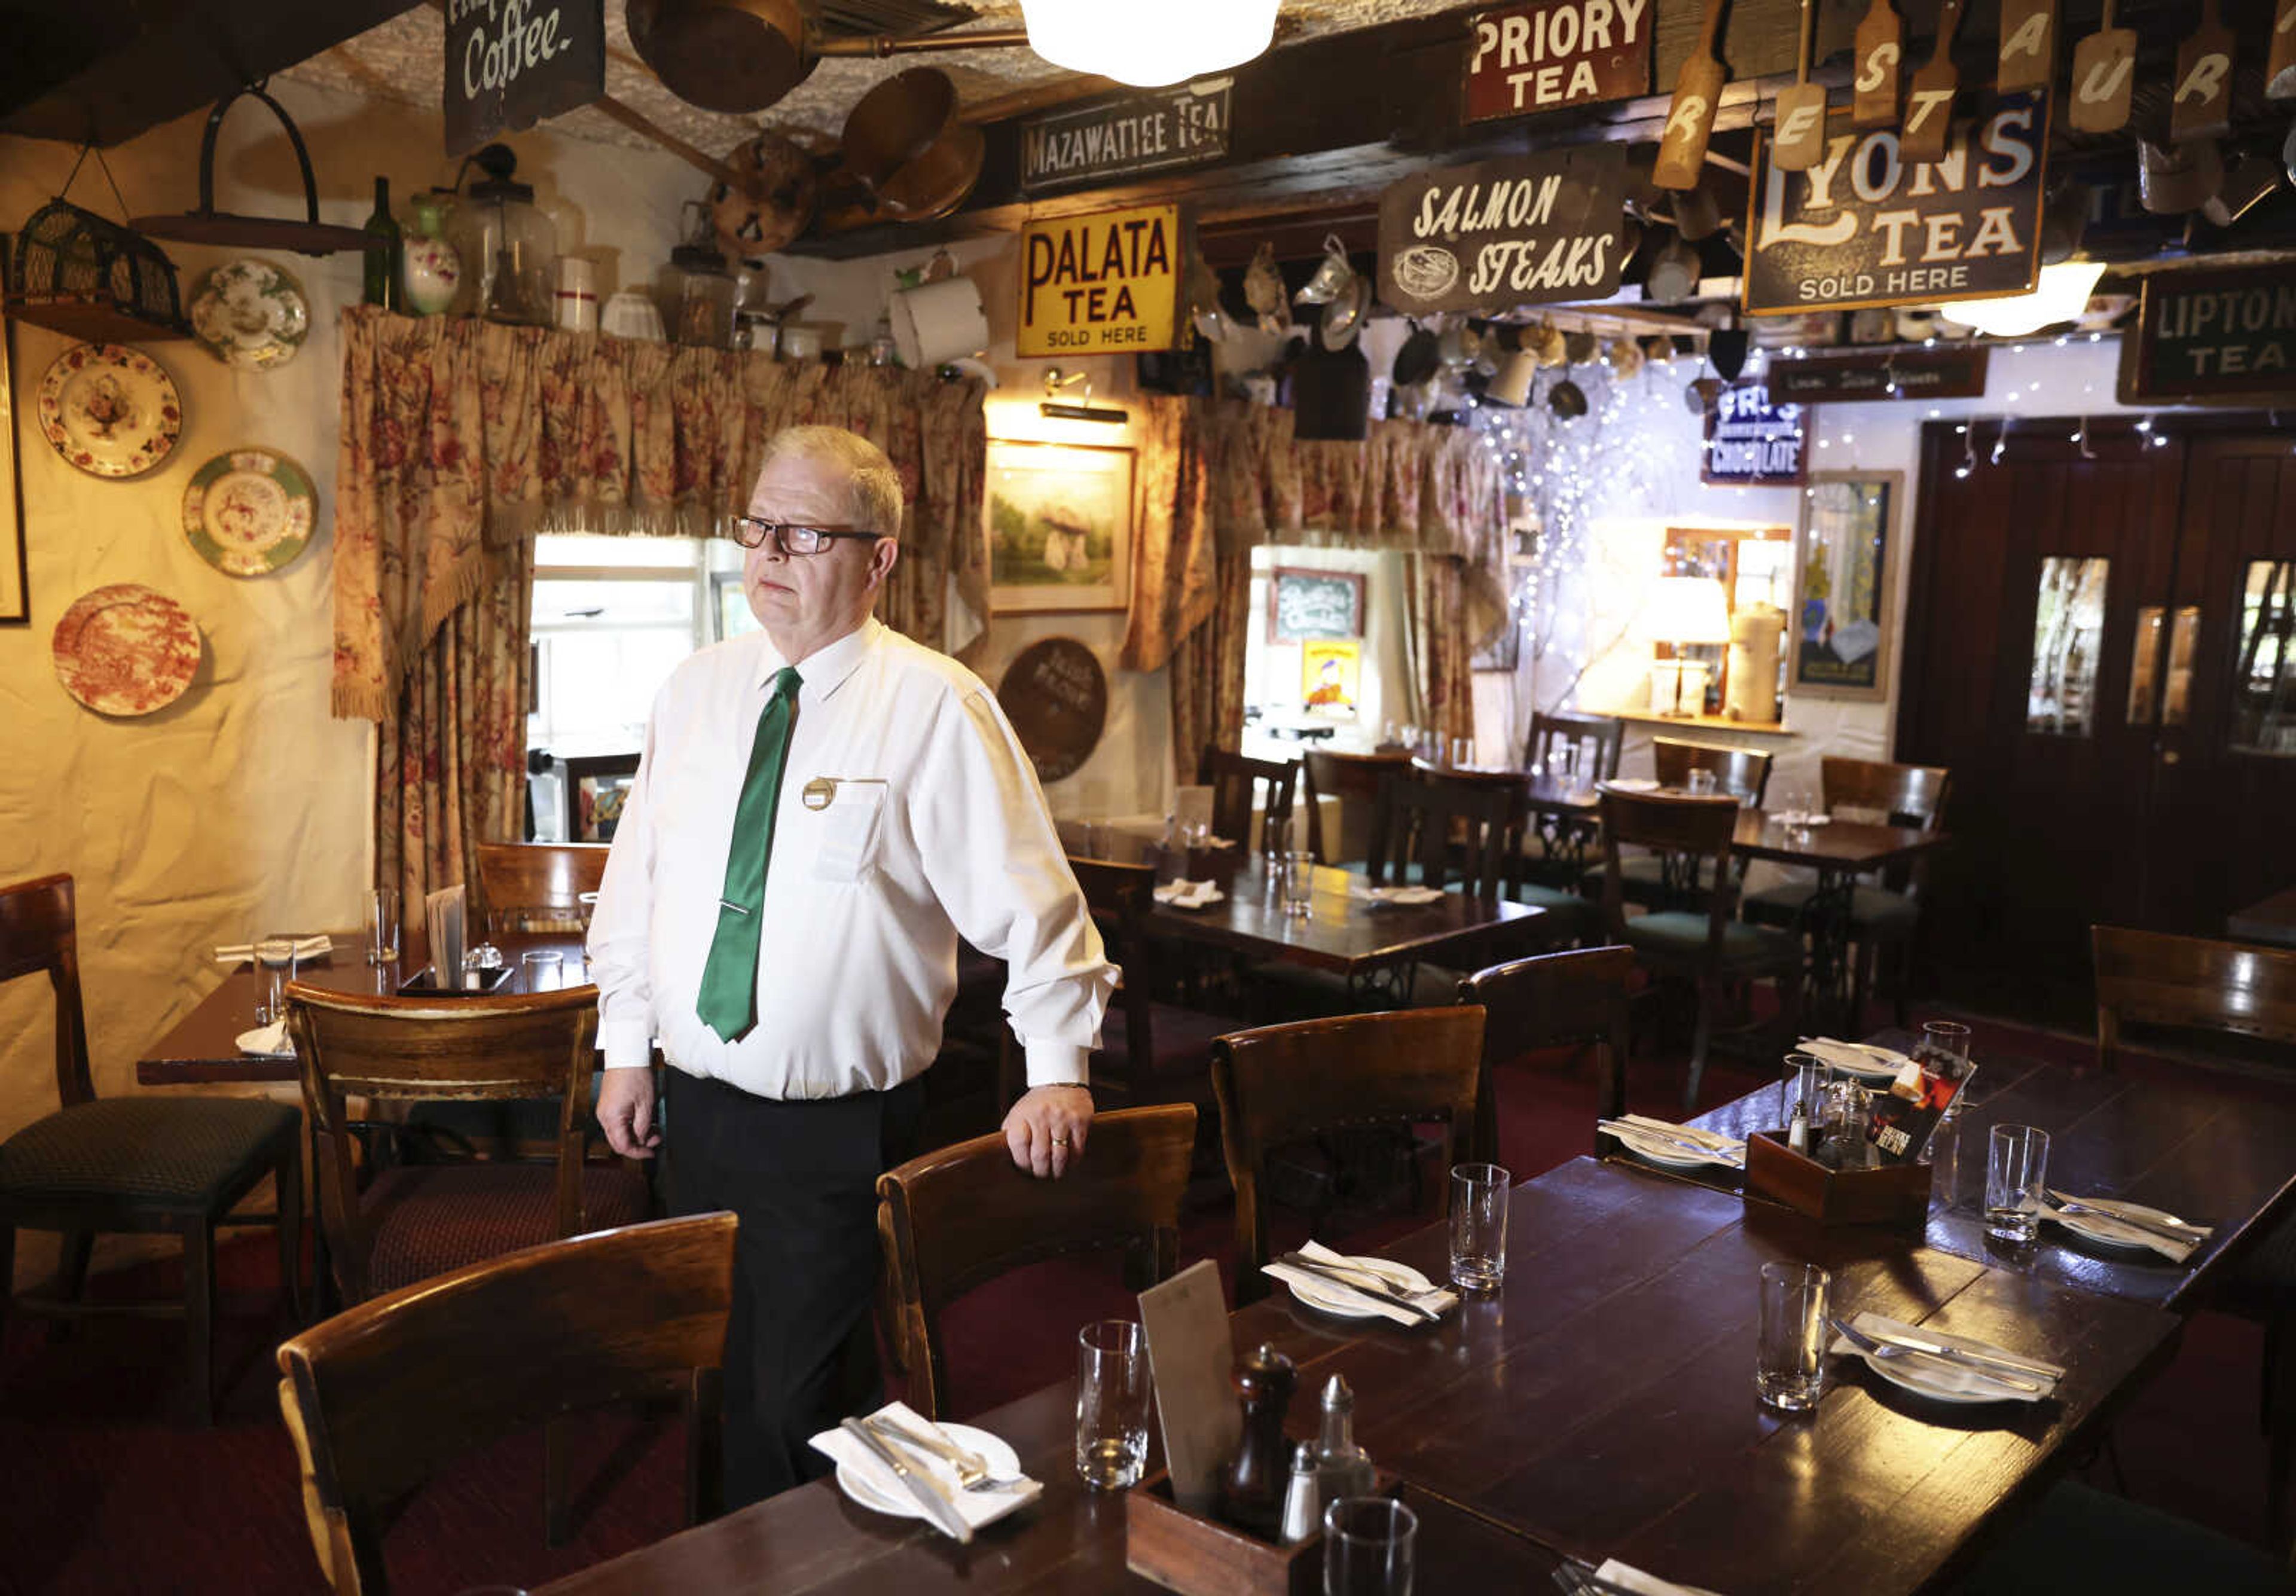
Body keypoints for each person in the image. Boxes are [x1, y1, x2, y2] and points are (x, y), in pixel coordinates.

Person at [588, 425, 1114, 1507]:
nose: (769, 554)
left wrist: (1058, 1064)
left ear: (877, 558)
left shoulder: (937, 706)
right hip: (693, 1109)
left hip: (833, 1130)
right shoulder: (694, 689)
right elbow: (636, 886)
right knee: (731, 1378)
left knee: (787, 1403)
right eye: (757, 528)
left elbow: (1035, 901)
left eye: (805, 532)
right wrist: (625, 1048)